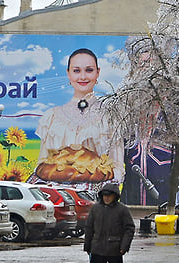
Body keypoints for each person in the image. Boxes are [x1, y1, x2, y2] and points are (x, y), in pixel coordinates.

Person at [32, 48, 124, 189]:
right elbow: (42, 165)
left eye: (89, 70)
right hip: (55, 201)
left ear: (97, 73)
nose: (82, 77)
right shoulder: (52, 117)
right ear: (68, 74)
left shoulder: (111, 116)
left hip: (97, 202)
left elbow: (117, 168)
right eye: (76, 71)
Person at [83, 183, 135, 263]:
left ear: (115, 196)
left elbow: (129, 228)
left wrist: (124, 246)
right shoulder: (95, 209)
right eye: (104, 195)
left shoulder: (122, 210)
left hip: (115, 248)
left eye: (109, 195)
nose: (106, 198)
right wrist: (87, 245)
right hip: (97, 247)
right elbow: (89, 227)